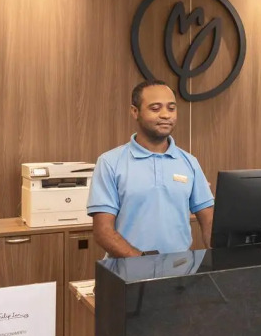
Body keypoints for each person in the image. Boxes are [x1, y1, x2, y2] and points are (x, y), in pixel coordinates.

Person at [87, 80, 214, 256]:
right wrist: (143, 262)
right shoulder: (110, 162)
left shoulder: (189, 162)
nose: (166, 115)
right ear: (135, 112)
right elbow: (103, 232)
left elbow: (208, 221)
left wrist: (222, 260)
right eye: (155, 108)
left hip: (179, 268)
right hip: (127, 268)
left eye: (171, 108)